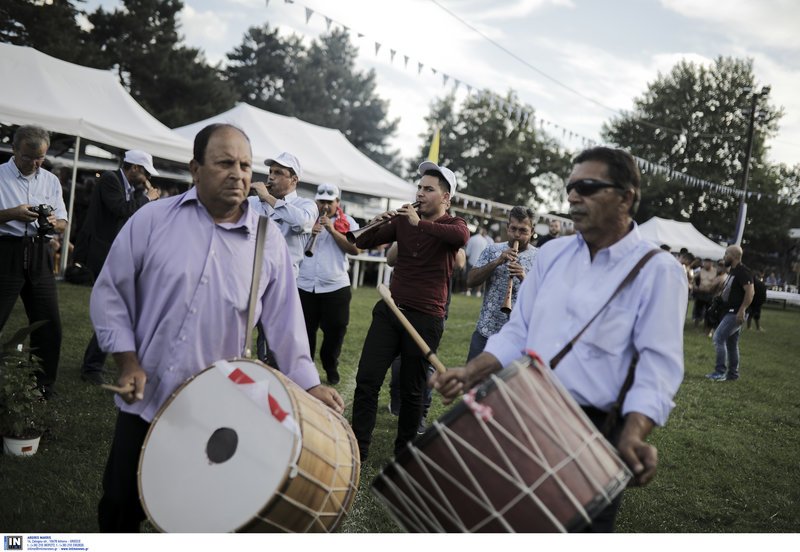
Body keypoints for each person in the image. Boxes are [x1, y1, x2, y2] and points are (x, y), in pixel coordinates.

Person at [90, 124, 343, 532]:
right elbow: (110, 294)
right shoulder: (153, 220)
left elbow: (287, 325)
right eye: (225, 163)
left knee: (195, 514)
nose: (239, 174)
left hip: (217, 410)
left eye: (245, 165)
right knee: (120, 504)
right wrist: (127, 360)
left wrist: (310, 385)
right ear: (195, 168)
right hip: (145, 397)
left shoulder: (268, 241)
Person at [431, 146, 687, 532]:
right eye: (570, 187)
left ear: (626, 197)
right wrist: (473, 370)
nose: (572, 196)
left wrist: (634, 434)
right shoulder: (552, 255)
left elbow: (658, 366)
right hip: (526, 412)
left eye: (587, 186)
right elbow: (519, 329)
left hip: (596, 432)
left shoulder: (658, 271)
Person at [351, 160, 469, 461]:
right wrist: (379, 221)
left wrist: (419, 224)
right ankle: (358, 448)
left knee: (412, 390)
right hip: (391, 309)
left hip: (426, 317)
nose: (420, 192)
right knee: (367, 379)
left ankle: (403, 454)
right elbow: (361, 242)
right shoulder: (404, 220)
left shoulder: (454, 224)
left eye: (429, 189)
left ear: (445, 198)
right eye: (419, 187)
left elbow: (460, 240)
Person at [73, 150, 161, 385]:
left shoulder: (127, 185)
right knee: (114, 307)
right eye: (143, 173)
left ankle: (94, 364)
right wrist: (148, 198)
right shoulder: (111, 180)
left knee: (116, 306)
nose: (144, 178)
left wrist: (143, 194)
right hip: (100, 250)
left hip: (111, 251)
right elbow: (122, 210)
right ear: (133, 168)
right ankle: (91, 367)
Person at [0, 125, 68, 400]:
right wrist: (12, 213)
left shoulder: (50, 180)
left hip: (39, 252)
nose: (34, 163)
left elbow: (63, 222)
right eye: (28, 157)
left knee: (48, 324)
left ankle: (42, 387)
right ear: (15, 150)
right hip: (5, 251)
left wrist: (54, 223)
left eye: (40, 158)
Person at [247, 152, 318, 365]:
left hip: (283, 284)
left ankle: (269, 381)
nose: (271, 177)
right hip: (249, 278)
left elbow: (302, 224)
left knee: (271, 343)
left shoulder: (306, 205)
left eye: (279, 173)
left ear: (294, 180)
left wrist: (269, 199)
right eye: (270, 172)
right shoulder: (252, 202)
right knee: (236, 333)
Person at [297, 183, 359, 385]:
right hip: (305, 285)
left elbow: (355, 250)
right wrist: (308, 231)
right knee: (305, 331)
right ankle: (306, 370)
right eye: (321, 201)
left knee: (336, 330)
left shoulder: (347, 221)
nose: (325, 205)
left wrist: (332, 230)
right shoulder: (305, 217)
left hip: (335, 286)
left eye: (329, 202)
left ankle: (330, 364)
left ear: (337, 202)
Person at [466, 206, 538, 361]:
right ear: (507, 227)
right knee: (472, 383)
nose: (517, 235)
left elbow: (544, 299)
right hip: (486, 332)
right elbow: (470, 281)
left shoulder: (540, 258)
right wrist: (497, 261)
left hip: (518, 337)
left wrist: (523, 277)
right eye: (513, 229)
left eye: (523, 230)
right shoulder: (493, 250)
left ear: (532, 231)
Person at [706, 245, 754, 381]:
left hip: (735, 312)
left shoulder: (743, 271)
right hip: (730, 311)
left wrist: (742, 310)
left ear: (733, 255)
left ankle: (719, 372)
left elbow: (750, 292)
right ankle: (732, 374)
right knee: (731, 343)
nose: (724, 257)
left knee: (718, 338)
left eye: (726, 254)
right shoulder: (733, 271)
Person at [465, 226, 490, 296]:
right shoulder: (485, 241)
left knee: (469, 276)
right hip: (481, 262)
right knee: (480, 277)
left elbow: (467, 252)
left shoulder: (471, 239)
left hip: (471, 260)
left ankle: (468, 291)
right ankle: (478, 292)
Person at [692, 258, 718, 327]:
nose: (706, 264)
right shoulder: (701, 271)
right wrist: (695, 286)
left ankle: (706, 325)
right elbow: (693, 278)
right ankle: (696, 325)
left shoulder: (715, 272)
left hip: (710, 294)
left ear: (711, 263)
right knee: (698, 309)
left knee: (708, 310)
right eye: (705, 263)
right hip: (700, 293)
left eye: (708, 263)